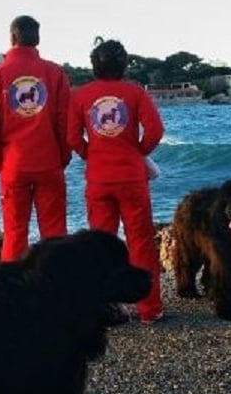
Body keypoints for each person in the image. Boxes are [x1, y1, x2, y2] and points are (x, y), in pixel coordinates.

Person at [67, 39, 165, 325]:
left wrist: (91, 154)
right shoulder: (135, 93)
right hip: (132, 179)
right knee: (141, 243)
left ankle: (105, 308)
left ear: (94, 65)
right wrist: (138, 151)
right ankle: (149, 309)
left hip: (98, 179)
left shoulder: (81, 96)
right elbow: (156, 130)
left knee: (101, 247)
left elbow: (73, 138)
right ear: (124, 64)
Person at [0, 15, 71, 261]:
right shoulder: (54, 73)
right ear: (37, 39)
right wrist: (62, 156)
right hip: (49, 163)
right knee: (55, 234)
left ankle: (12, 291)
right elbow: (65, 122)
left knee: (15, 232)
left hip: (14, 165)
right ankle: (59, 289)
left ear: (13, 37)